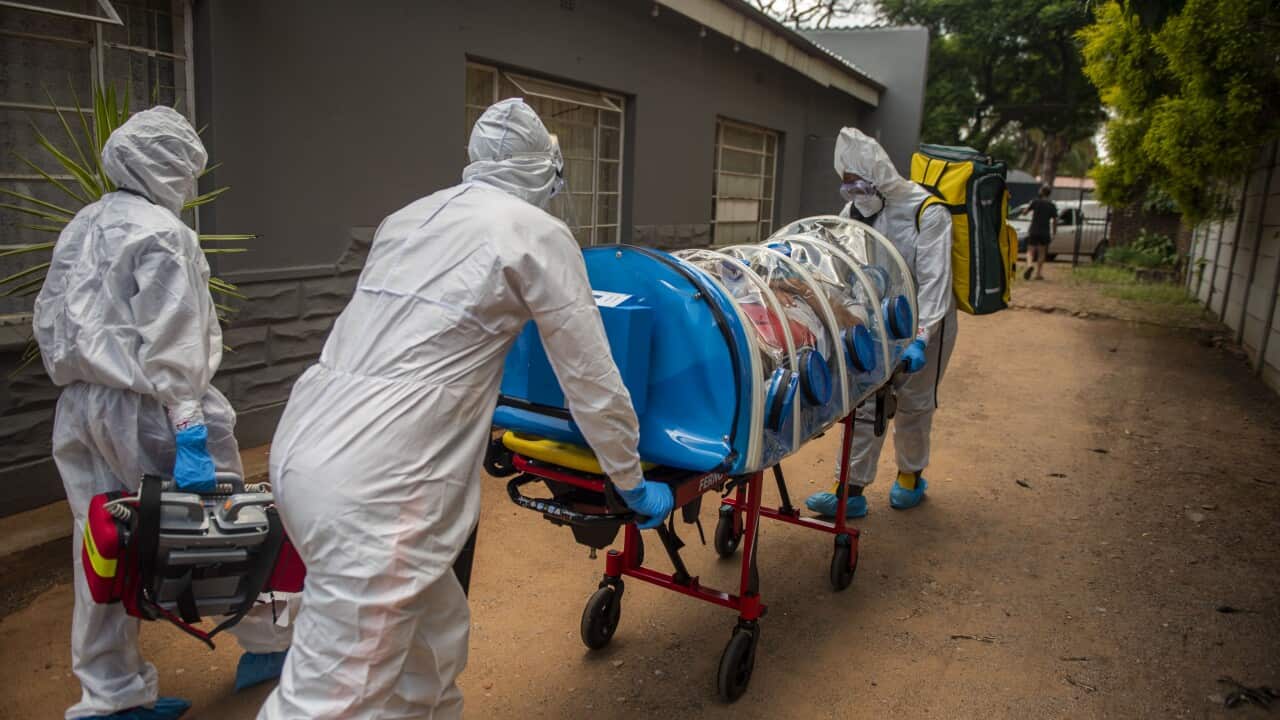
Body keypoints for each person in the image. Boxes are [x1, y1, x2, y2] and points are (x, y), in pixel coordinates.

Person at [257, 98, 671, 720]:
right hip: (383, 485)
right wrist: (630, 480)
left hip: (305, 445)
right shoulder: (535, 233)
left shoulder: (408, 218)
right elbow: (591, 381)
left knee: (431, 646)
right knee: (329, 702)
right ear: (543, 169)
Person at [32, 106, 292, 720]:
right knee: (225, 529)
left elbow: (49, 318)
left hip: (80, 408)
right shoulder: (162, 234)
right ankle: (272, 645)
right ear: (168, 167)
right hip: (154, 408)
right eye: (186, 170)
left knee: (101, 543)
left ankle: (110, 698)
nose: (189, 183)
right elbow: (174, 339)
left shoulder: (83, 224)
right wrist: (190, 430)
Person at [805, 127, 957, 518]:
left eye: (859, 184)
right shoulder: (854, 211)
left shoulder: (928, 212)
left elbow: (936, 284)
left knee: (915, 402)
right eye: (847, 186)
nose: (853, 194)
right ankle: (849, 490)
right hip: (878, 318)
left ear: (879, 177)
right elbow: (839, 261)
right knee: (866, 401)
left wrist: (922, 337)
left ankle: (910, 477)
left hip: (928, 319)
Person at [1023, 185, 1057, 280]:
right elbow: (1055, 220)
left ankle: (1029, 265)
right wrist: (1054, 231)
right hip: (1045, 231)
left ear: (1041, 192)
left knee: (1030, 251)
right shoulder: (1052, 205)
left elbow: (1024, 212)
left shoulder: (1035, 202)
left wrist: (1027, 208)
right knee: (1042, 253)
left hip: (1034, 230)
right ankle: (1038, 274)